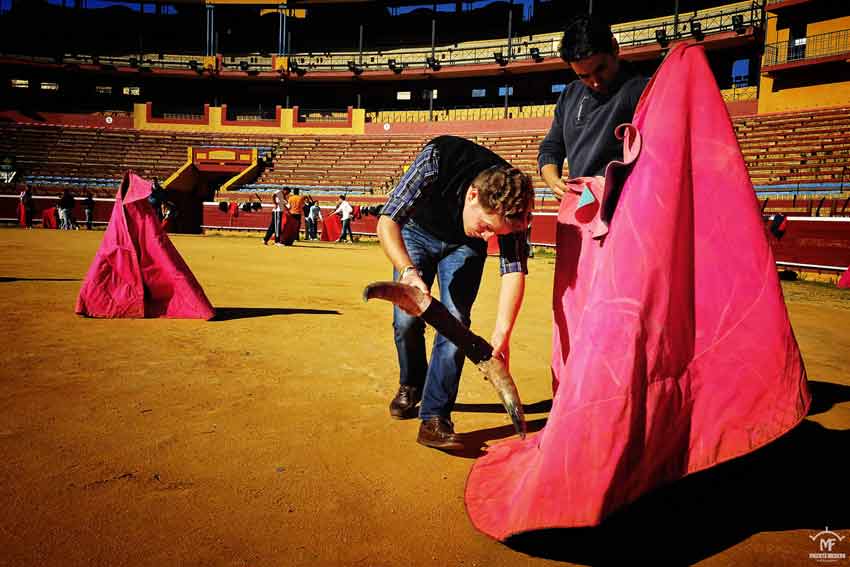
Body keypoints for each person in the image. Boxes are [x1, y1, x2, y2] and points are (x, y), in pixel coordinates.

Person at [376, 135, 534, 451]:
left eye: (496, 233)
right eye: (487, 227)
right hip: (416, 232)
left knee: (455, 322)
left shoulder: (512, 205)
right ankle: (411, 382)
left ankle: (435, 417)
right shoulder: (437, 159)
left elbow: (514, 269)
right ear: (473, 195)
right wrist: (409, 272)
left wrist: (502, 334)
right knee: (405, 321)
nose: (490, 238)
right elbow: (387, 221)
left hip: (463, 246)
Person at [538, 13, 649, 198]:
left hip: (624, 208)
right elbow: (551, 147)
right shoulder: (570, 94)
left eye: (600, 69)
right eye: (584, 76)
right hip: (580, 205)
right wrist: (554, 181)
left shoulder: (641, 91)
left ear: (614, 48)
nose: (595, 82)